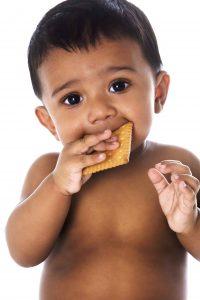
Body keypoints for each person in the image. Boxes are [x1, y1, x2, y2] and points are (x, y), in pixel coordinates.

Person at [5, 0, 200, 299]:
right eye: (73, 99)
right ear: (49, 123)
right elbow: (22, 252)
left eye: (118, 85)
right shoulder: (48, 171)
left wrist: (190, 223)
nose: (99, 112)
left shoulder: (177, 167)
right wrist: (57, 187)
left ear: (158, 92)